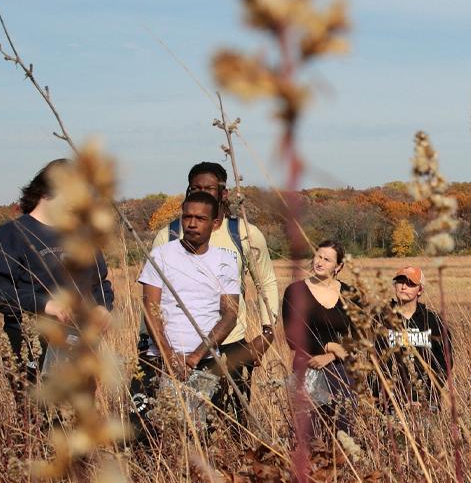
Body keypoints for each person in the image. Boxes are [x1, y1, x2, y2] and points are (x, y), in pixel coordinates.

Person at [152, 162, 281, 422]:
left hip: (231, 343)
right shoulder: (168, 236)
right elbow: (152, 299)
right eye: (196, 188)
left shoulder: (245, 234)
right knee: (177, 422)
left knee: (232, 421)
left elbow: (266, 282)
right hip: (180, 349)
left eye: (209, 188)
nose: (203, 192)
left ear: (223, 193)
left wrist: (266, 335)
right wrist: (154, 348)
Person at [0, 159, 116, 401]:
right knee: (38, 420)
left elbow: (101, 283)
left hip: (80, 345)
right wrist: (45, 304)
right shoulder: (12, 234)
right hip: (30, 345)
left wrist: (102, 308)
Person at [138, 192, 241, 431]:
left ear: (215, 224)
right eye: (187, 217)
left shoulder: (225, 261)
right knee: (152, 434)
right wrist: (169, 356)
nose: (192, 224)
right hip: (159, 361)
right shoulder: (161, 256)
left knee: (199, 434)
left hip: (203, 363)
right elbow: (150, 309)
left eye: (200, 218)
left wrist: (194, 357)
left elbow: (230, 315)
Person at [282, 240, 357, 425]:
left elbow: (360, 334)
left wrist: (331, 357)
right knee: (309, 430)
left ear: (338, 266)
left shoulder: (349, 293)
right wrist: (328, 346)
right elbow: (292, 336)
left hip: (341, 369)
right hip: (307, 366)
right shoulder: (295, 291)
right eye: (318, 256)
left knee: (343, 428)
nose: (320, 262)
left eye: (328, 260)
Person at [371, 266, 450, 406]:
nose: (404, 287)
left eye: (410, 284)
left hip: (426, 402)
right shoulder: (381, 319)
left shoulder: (432, 321)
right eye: (400, 282)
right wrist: (389, 395)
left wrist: (426, 393)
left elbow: (445, 362)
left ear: (420, 290)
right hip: (390, 403)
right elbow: (374, 361)